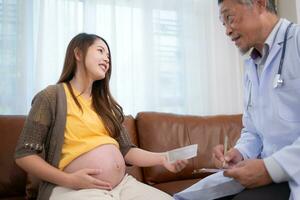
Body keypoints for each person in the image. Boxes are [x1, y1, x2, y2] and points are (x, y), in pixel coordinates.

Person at [14, 33, 188, 200]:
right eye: (100, 51)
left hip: (122, 185)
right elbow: (24, 154)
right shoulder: (52, 97)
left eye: (108, 56)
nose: (107, 58)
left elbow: (126, 150)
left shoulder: (106, 105)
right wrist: (70, 180)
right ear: (78, 54)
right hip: (74, 188)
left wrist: (164, 158)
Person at [174, 0, 300, 200]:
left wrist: (269, 168)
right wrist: (239, 153)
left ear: (259, 3)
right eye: (222, 23)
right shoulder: (252, 66)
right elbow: (253, 131)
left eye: (229, 18)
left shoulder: (296, 42)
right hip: (269, 173)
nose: (227, 30)